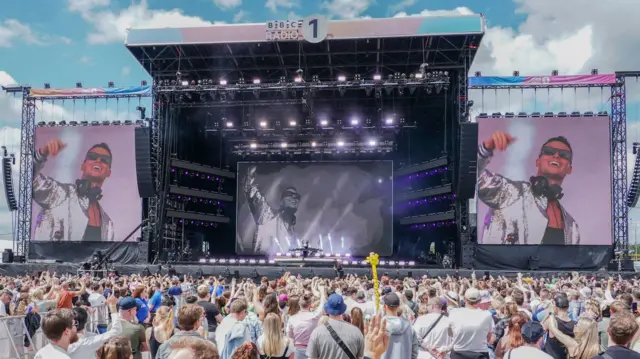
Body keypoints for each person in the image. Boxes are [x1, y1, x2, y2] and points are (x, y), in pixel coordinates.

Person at [477, 131, 580, 245]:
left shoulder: (572, 227)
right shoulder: (510, 192)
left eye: (563, 154)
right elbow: (470, 177)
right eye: (549, 151)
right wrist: (484, 150)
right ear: (537, 162)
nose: (556, 155)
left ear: (569, 169)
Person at [32, 138, 115, 241]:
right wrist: (41, 154)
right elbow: (29, 180)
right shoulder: (59, 193)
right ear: (82, 166)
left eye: (104, 160)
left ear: (109, 173)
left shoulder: (108, 225)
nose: (98, 160)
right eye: (92, 157)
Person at [243, 165, 300, 253]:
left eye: (297, 196)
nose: (294, 197)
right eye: (289, 194)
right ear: (281, 201)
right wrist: (250, 177)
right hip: (265, 265)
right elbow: (252, 194)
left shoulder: (292, 230)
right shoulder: (268, 216)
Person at [306, 294, 365, 359]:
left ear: (327, 310)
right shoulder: (356, 331)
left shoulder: (317, 332)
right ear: (343, 309)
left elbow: (311, 357)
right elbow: (360, 357)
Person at [446, 288, 494, 359]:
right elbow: (489, 336)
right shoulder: (487, 315)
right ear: (480, 300)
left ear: (465, 300)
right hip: (480, 353)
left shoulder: (454, 313)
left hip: (459, 354)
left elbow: (450, 334)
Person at [380, 292, 419, 359]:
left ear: (385, 306)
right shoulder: (409, 327)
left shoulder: (378, 327)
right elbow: (414, 352)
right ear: (398, 306)